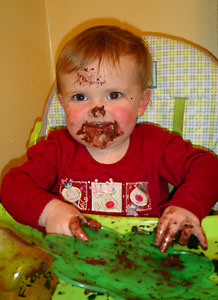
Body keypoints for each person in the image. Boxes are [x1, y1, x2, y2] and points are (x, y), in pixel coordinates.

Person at [1, 25, 218, 254]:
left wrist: (187, 206)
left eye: (114, 95)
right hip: (72, 264)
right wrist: (50, 212)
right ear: (63, 103)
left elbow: (208, 168)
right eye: (80, 96)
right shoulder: (57, 148)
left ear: (142, 102)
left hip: (145, 267)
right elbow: (12, 187)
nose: (97, 110)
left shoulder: (155, 144)